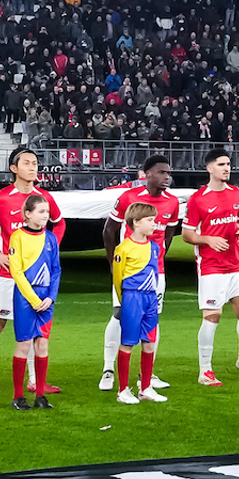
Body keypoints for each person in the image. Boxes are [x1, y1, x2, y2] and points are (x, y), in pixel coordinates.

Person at [0, 147, 63, 397]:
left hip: (36, 279)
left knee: (36, 329)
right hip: (8, 276)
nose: (33, 167)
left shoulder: (44, 197)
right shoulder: (1, 198)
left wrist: (50, 248)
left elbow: (60, 222)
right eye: (27, 163)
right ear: (14, 168)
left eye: (35, 163)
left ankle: (34, 381)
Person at [101, 156, 179, 392]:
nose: (167, 176)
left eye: (168, 172)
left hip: (156, 272)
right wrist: (113, 262)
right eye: (162, 172)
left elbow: (168, 235)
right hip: (128, 272)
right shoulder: (128, 198)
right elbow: (109, 230)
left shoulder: (173, 202)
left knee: (153, 318)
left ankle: (147, 374)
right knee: (119, 315)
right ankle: (108, 369)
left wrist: (157, 259)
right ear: (147, 174)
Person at [185, 150, 239, 386]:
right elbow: (187, 234)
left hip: (235, 265)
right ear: (210, 169)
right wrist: (207, 239)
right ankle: (205, 371)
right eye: (221, 164)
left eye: (228, 164)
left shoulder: (235, 193)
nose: (227, 168)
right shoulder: (198, 199)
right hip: (211, 267)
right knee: (212, 317)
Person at [0, 194, 61, 411]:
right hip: (25, 297)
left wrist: (50, 297)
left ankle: (40, 394)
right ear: (27, 214)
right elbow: (16, 271)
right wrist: (34, 300)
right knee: (24, 344)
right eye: (41, 212)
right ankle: (18, 396)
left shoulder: (50, 238)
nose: (46, 215)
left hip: (46, 299)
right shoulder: (18, 237)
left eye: (47, 212)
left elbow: (56, 269)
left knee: (42, 344)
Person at [110, 201, 170, 403]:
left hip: (150, 298)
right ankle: (123, 390)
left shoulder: (154, 247)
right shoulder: (123, 248)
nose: (155, 224)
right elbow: (117, 278)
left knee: (150, 342)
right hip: (132, 298)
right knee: (128, 343)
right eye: (150, 220)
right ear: (136, 222)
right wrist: (125, 302)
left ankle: (145, 388)